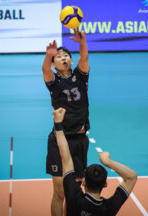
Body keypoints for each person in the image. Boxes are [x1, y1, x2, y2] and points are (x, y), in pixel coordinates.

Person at [53, 107, 138, 216]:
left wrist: (58, 124)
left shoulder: (74, 198)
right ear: (105, 184)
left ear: (83, 182)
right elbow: (132, 177)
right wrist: (107, 162)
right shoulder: (109, 208)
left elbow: (66, 158)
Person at [42, 28, 90, 216]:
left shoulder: (81, 76)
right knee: (59, 191)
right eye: (59, 56)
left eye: (66, 55)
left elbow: (84, 59)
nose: (63, 58)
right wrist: (48, 56)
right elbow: (45, 70)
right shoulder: (53, 83)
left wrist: (82, 42)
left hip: (79, 140)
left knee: (74, 193)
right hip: (59, 140)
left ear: (71, 60)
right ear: (54, 64)